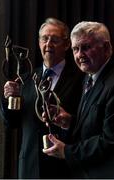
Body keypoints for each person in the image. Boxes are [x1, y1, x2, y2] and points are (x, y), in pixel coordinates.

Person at [0, 17, 83, 179]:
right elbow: (12, 123)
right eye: (45, 38)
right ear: (39, 42)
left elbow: (87, 123)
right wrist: (9, 98)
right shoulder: (25, 79)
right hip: (29, 167)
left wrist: (68, 121)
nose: (48, 44)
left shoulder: (81, 79)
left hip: (64, 168)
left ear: (66, 45)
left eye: (55, 39)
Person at [42, 21, 114, 178]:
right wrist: (69, 121)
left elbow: (110, 141)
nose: (80, 55)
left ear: (107, 48)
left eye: (86, 47)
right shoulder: (88, 78)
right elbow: (95, 126)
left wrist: (66, 151)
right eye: (76, 49)